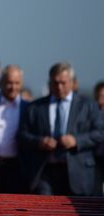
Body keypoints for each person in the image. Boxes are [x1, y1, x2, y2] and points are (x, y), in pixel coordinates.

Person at [19, 62, 104, 195]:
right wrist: (39, 142)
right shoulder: (36, 107)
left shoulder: (88, 106)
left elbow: (100, 132)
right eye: (55, 82)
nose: (59, 87)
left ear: (72, 82)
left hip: (78, 173)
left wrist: (76, 141)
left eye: (63, 82)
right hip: (45, 172)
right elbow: (23, 134)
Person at [0, 65, 29, 193]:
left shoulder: (29, 108)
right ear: (1, 83)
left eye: (17, 83)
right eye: (9, 83)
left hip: (18, 167)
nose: (13, 87)